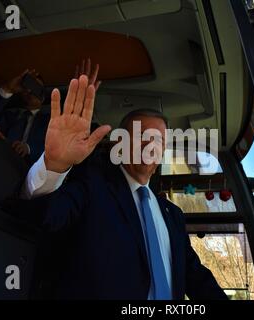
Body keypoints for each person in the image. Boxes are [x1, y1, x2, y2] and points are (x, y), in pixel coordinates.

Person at [12, 72, 227, 300]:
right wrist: (54, 166)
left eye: (159, 140)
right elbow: (45, 217)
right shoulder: (92, 185)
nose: (150, 145)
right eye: (141, 136)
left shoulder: (173, 215)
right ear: (119, 144)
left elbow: (196, 278)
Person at [0, 58, 100, 164]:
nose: (31, 91)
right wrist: (7, 89)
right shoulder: (9, 116)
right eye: (29, 86)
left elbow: (59, 147)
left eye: (37, 89)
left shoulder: (53, 121)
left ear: (42, 97)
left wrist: (28, 149)